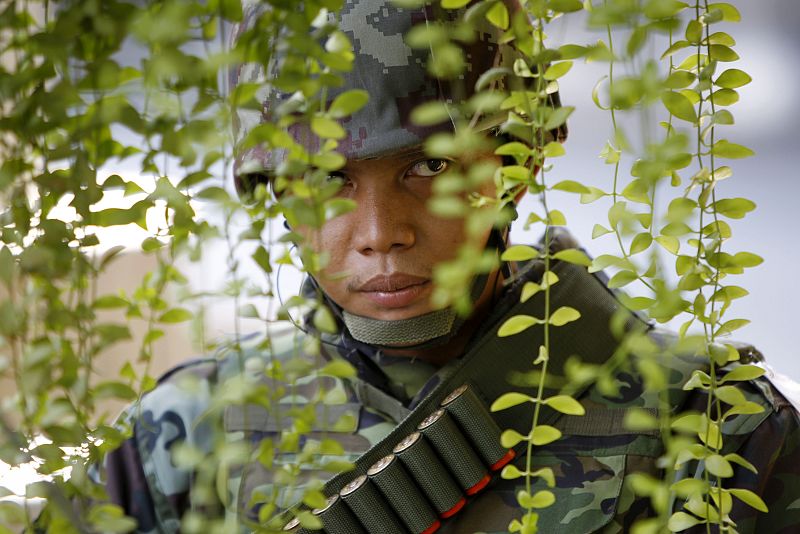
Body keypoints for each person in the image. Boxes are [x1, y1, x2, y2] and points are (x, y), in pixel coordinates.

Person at [89, 1, 800, 533]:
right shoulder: (188, 431)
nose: (380, 235)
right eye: (327, 180)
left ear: (517, 165)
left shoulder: (706, 425)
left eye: (429, 167)